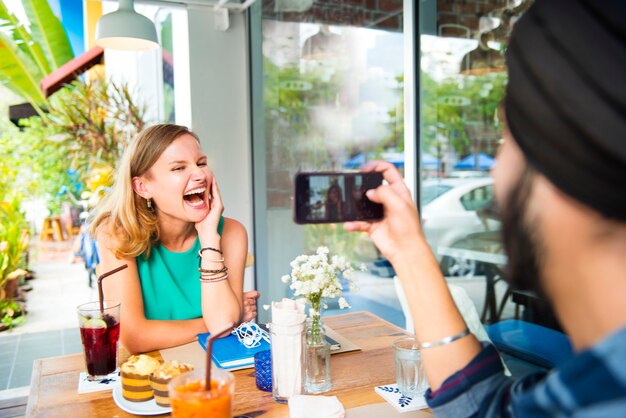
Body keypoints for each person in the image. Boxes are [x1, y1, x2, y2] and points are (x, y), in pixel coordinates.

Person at [345, 1, 626, 416]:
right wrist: (405, 247)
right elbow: (486, 406)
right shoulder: (592, 387)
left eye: (507, 140)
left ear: (569, 163)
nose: (495, 170)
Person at [91, 124, 259, 353]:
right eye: (179, 168)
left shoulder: (231, 232)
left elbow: (222, 325)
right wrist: (228, 320)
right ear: (142, 187)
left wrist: (209, 236)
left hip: (213, 368)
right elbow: (132, 337)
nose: (200, 174)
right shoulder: (117, 234)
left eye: (201, 163)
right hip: (151, 372)